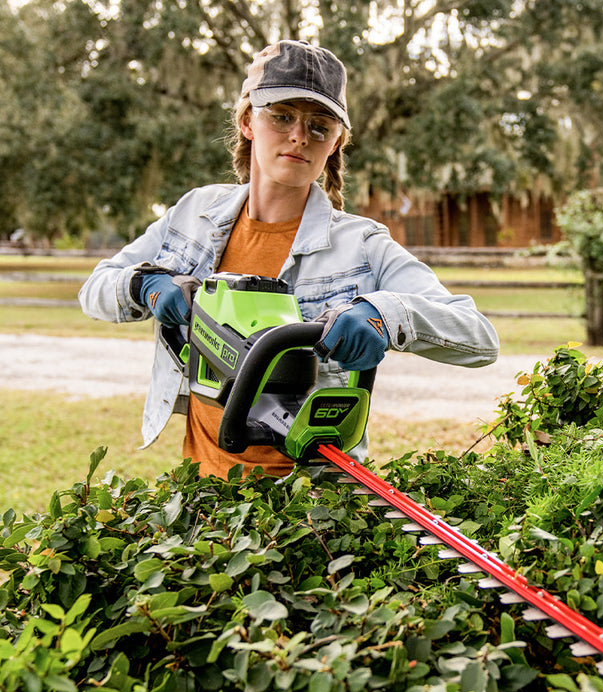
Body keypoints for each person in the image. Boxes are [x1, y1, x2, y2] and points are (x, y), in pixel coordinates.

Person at [79, 40, 499, 479]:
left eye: (320, 125)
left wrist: (385, 314)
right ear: (247, 122)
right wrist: (143, 286)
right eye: (281, 116)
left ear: (336, 142)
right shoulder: (194, 214)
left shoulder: (362, 245)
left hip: (312, 500)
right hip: (201, 485)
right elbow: (94, 289)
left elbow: (479, 337)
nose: (299, 136)